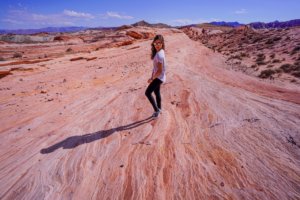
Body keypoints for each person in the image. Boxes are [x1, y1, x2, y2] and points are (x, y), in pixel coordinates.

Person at [145, 35, 166, 118]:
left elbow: (160, 70)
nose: (157, 45)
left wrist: (151, 79)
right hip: (160, 77)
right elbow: (157, 68)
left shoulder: (160, 55)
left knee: (147, 93)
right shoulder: (161, 51)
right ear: (153, 43)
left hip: (158, 77)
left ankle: (156, 110)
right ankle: (159, 108)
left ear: (162, 43)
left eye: (159, 43)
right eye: (155, 43)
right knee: (156, 92)